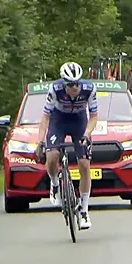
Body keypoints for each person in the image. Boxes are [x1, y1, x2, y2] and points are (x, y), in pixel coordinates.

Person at [36, 62, 98, 229]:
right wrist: (41, 142)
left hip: (79, 121)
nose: (75, 87)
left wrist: (87, 134)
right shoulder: (55, 90)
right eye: (71, 84)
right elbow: (45, 118)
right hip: (59, 121)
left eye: (77, 82)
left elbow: (93, 116)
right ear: (64, 84)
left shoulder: (89, 89)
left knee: (84, 165)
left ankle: (84, 211)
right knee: (52, 156)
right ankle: (55, 184)